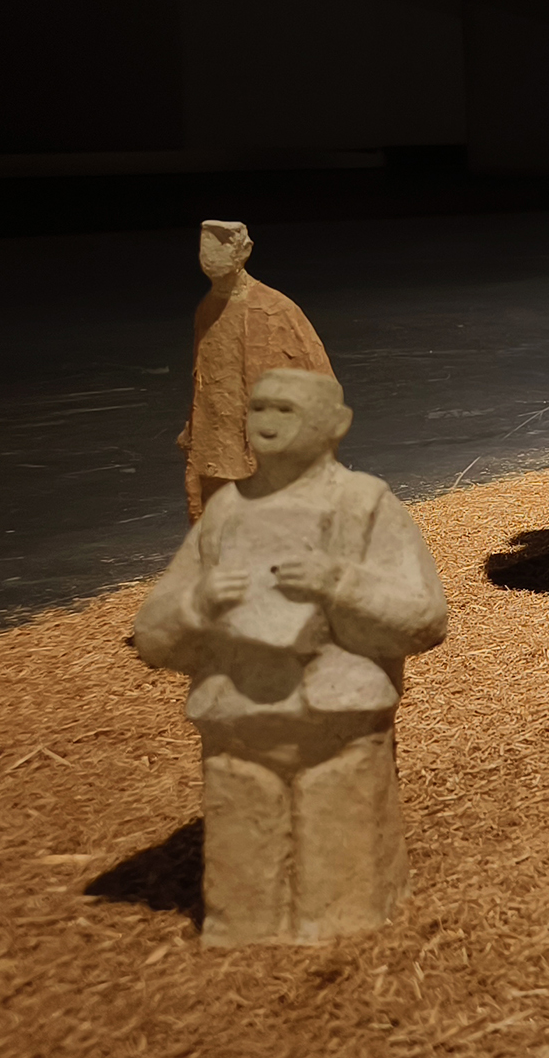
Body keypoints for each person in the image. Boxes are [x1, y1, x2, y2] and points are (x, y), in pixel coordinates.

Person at [132, 370, 448, 945]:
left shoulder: (363, 504)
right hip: (239, 729)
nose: (268, 423)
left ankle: (341, 928)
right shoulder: (227, 510)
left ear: (337, 425)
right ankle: (250, 928)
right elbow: (152, 636)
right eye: (259, 409)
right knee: (246, 897)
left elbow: (424, 619)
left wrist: (340, 584)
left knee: (342, 897)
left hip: (337, 729)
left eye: (286, 410)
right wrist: (198, 604)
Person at [178, 220, 331, 523]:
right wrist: (194, 430)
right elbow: (204, 380)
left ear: (244, 251)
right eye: (206, 243)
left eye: (222, 243)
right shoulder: (208, 308)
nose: (210, 254)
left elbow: (320, 380)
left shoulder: (276, 309)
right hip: (217, 447)